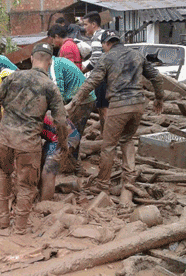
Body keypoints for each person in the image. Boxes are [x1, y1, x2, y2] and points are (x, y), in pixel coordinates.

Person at [0, 43, 69, 234]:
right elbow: (61, 120)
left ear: (32, 59)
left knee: (4, 175)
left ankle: (3, 219)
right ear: (49, 62)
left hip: (4, 139)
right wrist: (64, 144)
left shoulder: (13, 77)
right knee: (26, 186)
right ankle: (20, 228)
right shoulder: (50, 87)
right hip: (27, 143)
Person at [67, 31, 164, 204]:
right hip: (138, 106)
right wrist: (159, 98)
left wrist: (74, 101)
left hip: (119, 106)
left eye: (103, 45)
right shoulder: (137, 55)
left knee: (109, 146)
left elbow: (92, 82)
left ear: (106, 43)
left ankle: (103, 184)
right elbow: (156, 77)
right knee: (127, 140)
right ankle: (129, 180)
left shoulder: (107, 58)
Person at [40, 116, 80, 201]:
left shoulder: (32, 116)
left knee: (48, 170)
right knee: (40, 164)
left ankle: (45, 203)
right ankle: (41, 193)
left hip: (66, 137)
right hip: (52, 137)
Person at [81, 11, 108, 132]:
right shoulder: (106, 34)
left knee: (103, 108)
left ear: (93, 24)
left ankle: (106, 135)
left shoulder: (97, 37)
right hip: (114, 75)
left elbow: (95, 61)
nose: (84, 27)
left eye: (86, 24)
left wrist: (82, 71)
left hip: (103, 78)